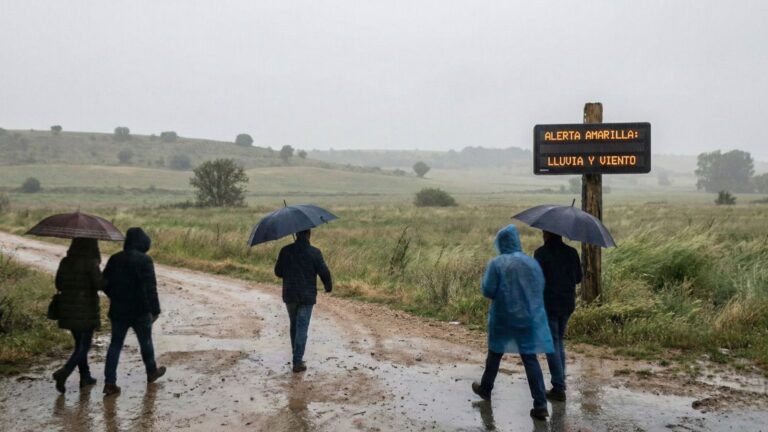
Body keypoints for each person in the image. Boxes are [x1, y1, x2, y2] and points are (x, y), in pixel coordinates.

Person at [472, 224, 554, 420]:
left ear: (501, 242)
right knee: (530, 358)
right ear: (518, 241)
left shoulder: (497, 263)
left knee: (495, 353)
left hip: (503, 317)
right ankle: (541, 404)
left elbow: (488, 290)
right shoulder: (531, 263)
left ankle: (486, 388)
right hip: (528, 318)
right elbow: (540, 286)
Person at [102, 227, 166, 396]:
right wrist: (155, 310)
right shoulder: (145, 260)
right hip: (141, 309)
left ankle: (109, 382)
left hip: (118, 310)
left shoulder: (115, 259)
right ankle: (151, 372)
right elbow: (151, 288)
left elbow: (104, 283)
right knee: (145, 342)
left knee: (115, 344)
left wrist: (114, 296)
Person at [274, 229, 332, 373]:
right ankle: (297, 361)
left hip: (290, 295)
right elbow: (324, 272)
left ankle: (296, 356)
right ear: (308, 234)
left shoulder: (285, 251)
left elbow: (278, 272)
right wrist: (328, 286)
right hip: (307, 296)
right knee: (302, 327)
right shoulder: (315, 252)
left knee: (294, 325)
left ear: (296, 234)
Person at [534, 231, 582, 402]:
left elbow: (536, 279)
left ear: (547, 234)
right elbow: (578, 278)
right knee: (559, 341)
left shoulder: (541, 253)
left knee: (552, 343)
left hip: (549, 304)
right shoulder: (572, 252)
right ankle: (559, 384)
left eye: (543, 232)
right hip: (568, 304)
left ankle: (558, 387)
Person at [51, 238, 103, 393]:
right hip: (85, 309)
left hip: (67, 308)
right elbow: (100, 284)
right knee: (84, 346)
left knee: (79, 344)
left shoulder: (65, 261)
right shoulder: (91, 263)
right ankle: (64, 372)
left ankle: (85, 377)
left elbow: (58, 284)